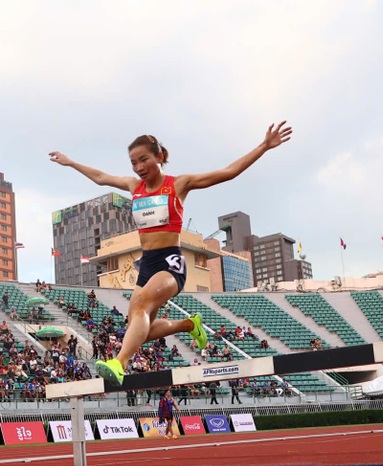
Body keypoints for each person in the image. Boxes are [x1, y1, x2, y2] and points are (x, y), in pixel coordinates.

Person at [50, 121, 292, 385]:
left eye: (144, 160)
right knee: (138, 326)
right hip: (147, 264)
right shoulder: (134, 187)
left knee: (141, 306)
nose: (139, 167)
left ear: (160, 157)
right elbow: (100, 177)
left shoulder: (179, 184)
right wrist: (71, 162)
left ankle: (119, 363)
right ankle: (188, 325)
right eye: (133, 162)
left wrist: (264, 146)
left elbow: (228, 172)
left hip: (170, 262)